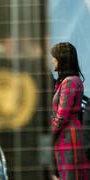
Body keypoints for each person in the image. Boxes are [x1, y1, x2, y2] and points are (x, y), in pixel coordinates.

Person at [50, 42, 89, 179]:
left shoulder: (70, 81)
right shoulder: (66, 81)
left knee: (71, 175)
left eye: (54, 57)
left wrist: (47, 135)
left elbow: (62, 116)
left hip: (69, 137)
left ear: (62, 59)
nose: (53, 60)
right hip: (64, 136)